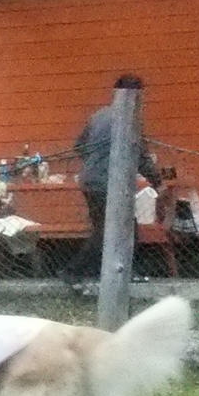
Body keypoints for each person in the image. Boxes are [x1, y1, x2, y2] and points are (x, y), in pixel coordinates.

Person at [71, 74, 162, 281]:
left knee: (103, 228)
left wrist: (96, 160)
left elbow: (78, 146)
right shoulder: (130, 121)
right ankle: (76, 271)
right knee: (125, 228)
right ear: (136, 96)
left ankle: (98, 272)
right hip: (109, 184)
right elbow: (142, 157)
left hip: (89, 180)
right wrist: (157, 181)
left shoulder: (98, 115)